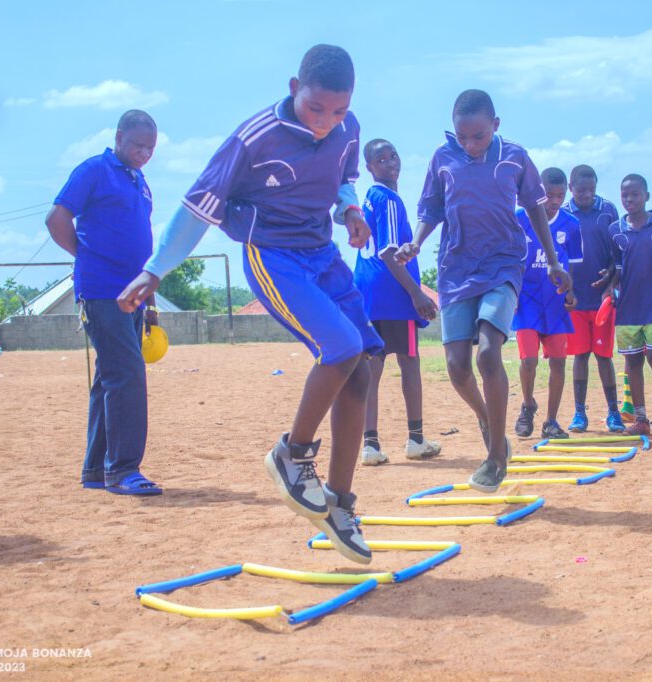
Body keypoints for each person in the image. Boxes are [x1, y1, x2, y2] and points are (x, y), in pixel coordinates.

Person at [117, 45, 378, 564]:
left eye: (338, 111)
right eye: (315, 108)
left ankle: (340, 504)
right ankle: (292, 453)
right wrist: (155, 268)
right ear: (293, 88)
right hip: (273, 257)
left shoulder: (347, 130)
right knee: (343, 347)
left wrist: (349, 210)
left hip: (321, 254)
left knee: (362, 369)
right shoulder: (254, 139)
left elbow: (345, 180)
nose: (325, 121)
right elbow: (199, 206)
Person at [396, 89, 572, 492]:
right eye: (463, 137)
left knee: (489, 353)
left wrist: (553, 260)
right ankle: (486, 418)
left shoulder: (514, 157)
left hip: (503, 264)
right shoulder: (443, 158)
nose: (471, 145)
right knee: (457, 367)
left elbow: (535, 208)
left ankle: (495, 458)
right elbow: (431, 209)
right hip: (456, 269)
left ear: (495, 125)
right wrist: (416, 243)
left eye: (478, 136)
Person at [46, 109, 161, 496]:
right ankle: (123, 469)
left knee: (109, 377)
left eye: (150, 148)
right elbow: (56, 218)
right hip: (102, 290)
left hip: (134, 294)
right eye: (138, 145)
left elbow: (140, 244)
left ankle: (96, 469)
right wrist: (87, 257)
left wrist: (151, 301)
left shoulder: (139, 181)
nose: (144, 153)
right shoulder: (94, 170)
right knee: (127, 373)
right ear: (118, 137)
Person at [353, 138, 440, 465]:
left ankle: (370, 445)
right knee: (409, 362)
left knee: (372, 367)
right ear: (369, 167)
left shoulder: (368, 199)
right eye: (381, 160)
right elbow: (389, 252)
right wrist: (416, 293)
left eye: (393, 156)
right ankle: (416, 439)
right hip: (392, 293)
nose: (390, 163)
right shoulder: (388, 199)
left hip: (366, 292)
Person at [512, 167, 581, 440]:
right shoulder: (519, 218)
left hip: (556, 302)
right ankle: (527, 405)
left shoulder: (571, 224)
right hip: (526, 298)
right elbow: (510, 259)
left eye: (560, 195)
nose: (554, 201)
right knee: (528, 361)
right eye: (549, 195)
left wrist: (571, 292)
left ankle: (551, 421)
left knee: (559, 363)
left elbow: (572, 265)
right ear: (538, 192)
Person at [607, 174, 652, 436]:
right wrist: (608, 287)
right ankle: (640, 418)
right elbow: (616, 267)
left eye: (635, 194)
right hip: (628, 306)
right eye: (624, 195)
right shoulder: (615, 230)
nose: (629, 199)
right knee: (632, 361)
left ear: (646, 196)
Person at [563, 165, 624, 433]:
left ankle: (613, 412)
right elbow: (559, 256)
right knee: (580, 355)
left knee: (603, 356)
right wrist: (567, 290)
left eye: (591, 189)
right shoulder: (563, 214)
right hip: (575, 299)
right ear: (571, 188)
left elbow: (618, 255)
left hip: (602, 300)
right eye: (581, 190)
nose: (587, 194)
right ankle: (579, 413)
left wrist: (610, 282)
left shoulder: (608, 211)